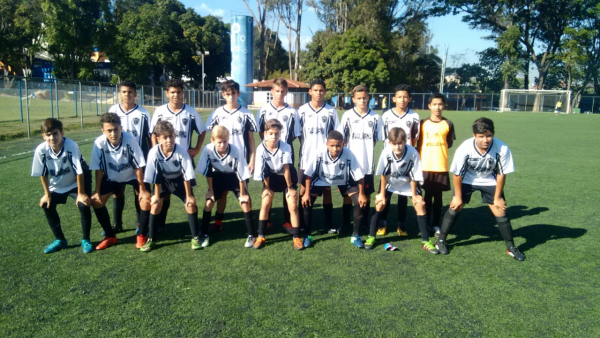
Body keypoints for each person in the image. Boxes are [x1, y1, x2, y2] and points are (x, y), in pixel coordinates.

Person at [435, 117, 524, 261]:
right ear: (474, 135)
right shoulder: (465, 148)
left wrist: (498, 197)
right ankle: (441, 240)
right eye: (481, 136)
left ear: (493, 134)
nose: (485, 140)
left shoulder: (502, 148)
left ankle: (511, 247)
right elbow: (457, 174)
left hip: (489, 180)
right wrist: (457, 196)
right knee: (456, 206)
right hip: (467, 179)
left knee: (500, 209)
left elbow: (501, 174)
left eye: (488, 136)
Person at [366, 128, 438, 253]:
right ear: (389, 143)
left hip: (407, 183)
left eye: (400, 143)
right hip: (391, 182)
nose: (397, 147)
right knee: (379, 203)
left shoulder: (413, 153)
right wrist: (382, 194)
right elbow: (384, 174)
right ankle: (371, 237)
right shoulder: (386, 152)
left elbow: (413, 175)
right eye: (394, 144)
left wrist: (415, 195)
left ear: (405, 141)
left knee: (419, 205)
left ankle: (426, 241)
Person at [150, 79, 206, 233]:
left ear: (183, 93)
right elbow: (153, 133)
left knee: (188, 194)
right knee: (163, 194)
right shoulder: (160, 111)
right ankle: (160, 224)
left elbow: (202, 131)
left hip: (184, 160)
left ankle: (195, 228)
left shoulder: (190, 111)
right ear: (167, 93)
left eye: (179, 92)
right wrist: (156, 149)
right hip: (163, 160)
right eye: (172, 92)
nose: (176, 95)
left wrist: (197, 148)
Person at [90, 113, 151, 250]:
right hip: (113, 177)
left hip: (133, 175)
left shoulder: (129, 140)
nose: (113, 133)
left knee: (145, 199)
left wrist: (142, 188)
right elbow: (98, 169)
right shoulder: (99, 143)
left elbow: (138, 165)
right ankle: (110, 236)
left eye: (116, 129)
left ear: (121, 128)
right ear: (103, 131)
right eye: (109, 131)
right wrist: (97, 191)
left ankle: (141, 235)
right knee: (96, 202)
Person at [31, 118, 94, 253]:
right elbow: (43, 173)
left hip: (78, 182)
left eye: (55, 133)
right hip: (58, 184)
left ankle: (86, 240)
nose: (52, 137)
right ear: (43, 136)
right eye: (48, 135)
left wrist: (81, 194)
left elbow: (79, 171)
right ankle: (60, 240)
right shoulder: (41, 150)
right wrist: (47, 194)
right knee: (46, 204)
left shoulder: (71, 146)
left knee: (84, 204)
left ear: (62, 133)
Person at [139, 121, 202, 252]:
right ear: (158, 139)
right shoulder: (153, 152)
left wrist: (189, 195)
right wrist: (156, 195)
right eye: (165, 137)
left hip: (179, 181)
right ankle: (151, 239)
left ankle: (195, 237)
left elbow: (186, 175)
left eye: (171, 136)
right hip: (163, 181)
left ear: (175, 135)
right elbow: (155, 175)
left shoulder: (181, 151)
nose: (169, 140)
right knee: (155, 205)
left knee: (190, 204)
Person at [205, 80, 257, 232]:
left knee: (244, 194)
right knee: (221, 194)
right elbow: (212, 138)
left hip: (240, 163)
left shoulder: (246, 114)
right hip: (220, 163)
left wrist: (252, 160)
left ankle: (250, 225)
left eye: (233, 94)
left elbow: (251, 139)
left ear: (238, 94)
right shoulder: (217, 114)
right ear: (223, 95)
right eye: (228, 94)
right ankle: (218, 222)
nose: (231, 97)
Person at [302, 131, 368, 248]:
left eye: (338, 145)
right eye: (332, 146)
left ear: (343, 143)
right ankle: (307, 235)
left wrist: (362, 194)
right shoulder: (319, 152)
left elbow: (360, 176)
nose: (335, 149)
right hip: (322, 179)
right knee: (307, 202)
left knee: (359, 202)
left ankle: (355, 235)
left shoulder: (348, 153)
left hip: (344, 180)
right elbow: (308, 174)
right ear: (327, 144)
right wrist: (307, 193)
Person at [196, 126, 256, 248]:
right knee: (209, 202)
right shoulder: (208, 150)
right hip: (218, 176)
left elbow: (241, 174)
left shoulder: (235, 151)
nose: (223, 145)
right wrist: (211, 192)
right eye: (219, 142)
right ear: (212, 140)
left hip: (234, 177)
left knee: (245, 202)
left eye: (225, 141)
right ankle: (205, 233)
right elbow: (208, 172)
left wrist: (243, 194)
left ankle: (251, 234)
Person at [297, 79, 339, 246]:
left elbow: (336, 134)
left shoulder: (330, 111)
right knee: (303, 189)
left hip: (325, 159)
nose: (319, 93)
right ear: (310, 92)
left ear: (325, 92)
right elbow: (297, 132)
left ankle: (328, 224)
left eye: (321, 90)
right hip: (306, 157)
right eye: (315, 90)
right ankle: (302, 225)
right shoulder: (301, 111)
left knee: (327, 189)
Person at [255, 78, 301, 232]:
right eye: (277, 91)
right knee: (268, 184)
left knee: (287, 184)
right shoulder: (263, 110)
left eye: (282, 91)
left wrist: (283, 145)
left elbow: (294, 134)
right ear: (272, 91)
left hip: (286, 152)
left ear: (286, 92)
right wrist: (269, 145)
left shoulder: (292, 112)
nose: (280, 94)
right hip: (268, 152)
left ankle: (287, 221)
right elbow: (261, 131)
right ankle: (266, 220)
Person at [106, 80, 152, 235]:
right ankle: (117, 223)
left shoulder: (143, 113)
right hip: (118, 159)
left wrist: (150, 157)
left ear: (135, 94)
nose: (127, 95)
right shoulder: (113, 110)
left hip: (139, 160)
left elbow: (149, 136)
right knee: (117, 191)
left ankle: (140, 222)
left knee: (139, 191)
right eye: (124, 92)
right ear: (120, 93)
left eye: (130, 92)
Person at [338, 85, 383, 234]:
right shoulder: (347, 116)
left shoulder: (375, 117)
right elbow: (342, 139)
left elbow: (376, 139)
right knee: (347, 194)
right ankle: (345, 223)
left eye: (364, 98)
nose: (362, 100)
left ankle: (363, 223)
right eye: (359, 98)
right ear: (353, 100)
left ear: (368, 98)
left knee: (367, 195)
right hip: (349, 164)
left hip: (367, 163)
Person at [253, 119, 303, 250]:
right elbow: (264, 170)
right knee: (265, 202)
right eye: (270, 133)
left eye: (277, 133)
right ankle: (260, 235)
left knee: (292, 204)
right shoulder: (260, 149)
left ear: (280, 134)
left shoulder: (285, 146)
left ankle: (297, 237)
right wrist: (267, 188)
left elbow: (286, 168)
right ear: (265, 134)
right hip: (271, 178)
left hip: (286, 178)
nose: (274, 136)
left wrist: (291, 188)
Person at [378, 84, 421, 236]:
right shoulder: (386, 116)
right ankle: (382, 223)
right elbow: (383, 138)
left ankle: (401, 224)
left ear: (409, 99)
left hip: (407, 160)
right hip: (390, 160)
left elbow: (415, 138)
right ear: (394, 98)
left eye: (405, 97)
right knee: (385, 192)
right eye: (399, 97)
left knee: (404, 194)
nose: (402, 100)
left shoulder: (414, 117)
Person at [416, 93, 455, 237]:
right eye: (434, 104)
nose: (437, 107)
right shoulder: (423, 123)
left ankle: (436, 224)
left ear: (444, 106)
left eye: (440, 104)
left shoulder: (448, 124)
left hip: (440, 165)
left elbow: (449, 143)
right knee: (426, 197)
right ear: (429, 106)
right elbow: (419, 144)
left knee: (438, 197)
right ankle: (425, 224)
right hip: (425, 165)